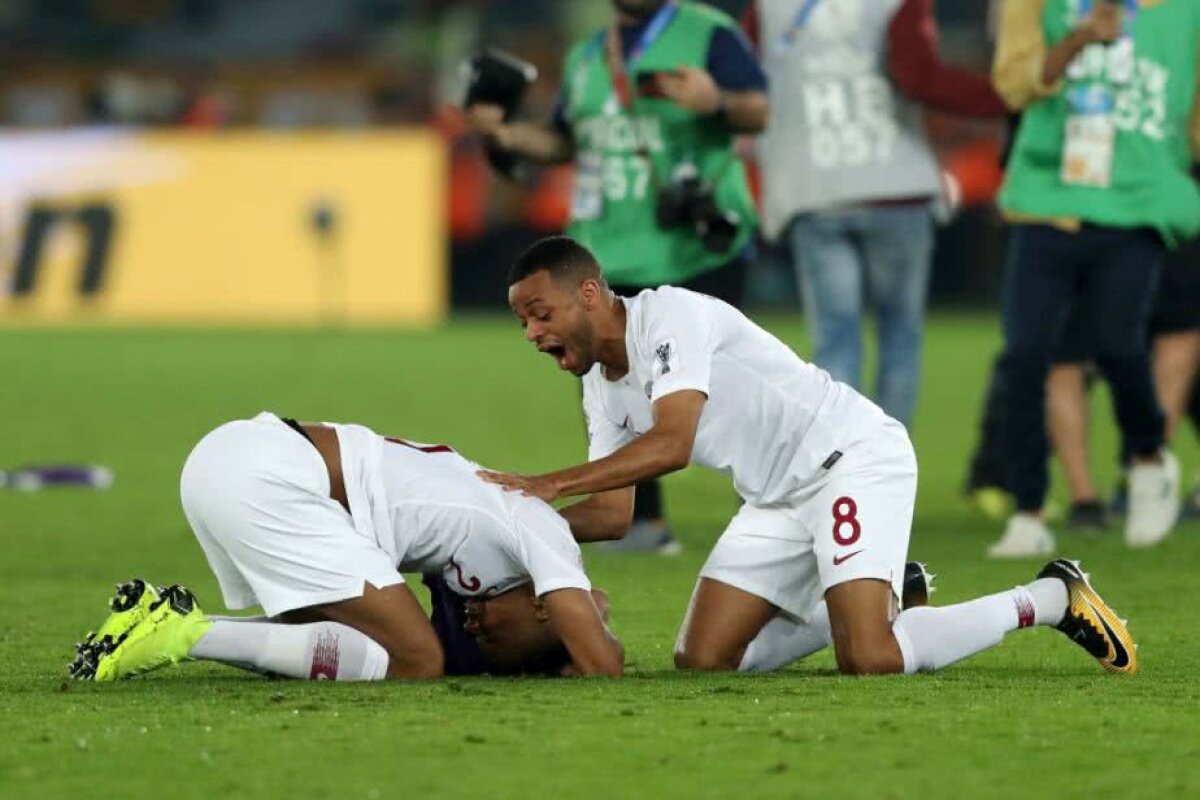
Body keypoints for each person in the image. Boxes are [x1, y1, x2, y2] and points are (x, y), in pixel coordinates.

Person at [480, 236, 1137, 676]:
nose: (534, 334)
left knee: (870, 659)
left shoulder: (669, 318)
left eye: (540, 314)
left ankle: (1051, 596)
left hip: (849, 458)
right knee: (703, 661)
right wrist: (510, 524)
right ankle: (883, 591)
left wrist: (549, 482)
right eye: (523, 324)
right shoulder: (601, 384)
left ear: (589, 293)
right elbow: (614, 515)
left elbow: (672, 444)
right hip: (775, 497)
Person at [466, 0, 769, 553]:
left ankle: (767, 514)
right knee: (615, 390)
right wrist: (506, 134)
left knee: (727, 393)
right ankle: (642, 522)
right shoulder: (588, 55)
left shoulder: (710, 35)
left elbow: (758, 111)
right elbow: (562, 141)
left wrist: (716, 101)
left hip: (696, 246)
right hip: (610, 248)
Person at [68, 412, 623, 682]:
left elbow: (467, 649)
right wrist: (582, 637)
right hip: (271, 473)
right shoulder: (541, 532)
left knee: (351, 642)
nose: (473, 619)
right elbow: (603, 663)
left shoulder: (487, 554)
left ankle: (153, 621)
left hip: (233, 457)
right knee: (416, 659)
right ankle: (185, 631)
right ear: (543, 603)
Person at [985, 0, 1200, 557]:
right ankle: (1029, 510)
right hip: (1046, 200)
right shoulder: (1037, 4)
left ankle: (1149, 459)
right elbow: (1014, 86)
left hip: (1136, 203)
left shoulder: (1185, 13)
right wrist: (1077, 40)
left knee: (1118, 347)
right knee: (1025, 355)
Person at [743, 0, 1008, 428]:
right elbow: (917, 76)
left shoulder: (770, 7)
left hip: (815, 189)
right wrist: (1005, 97)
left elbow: (742, 78)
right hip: (895, 185)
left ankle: (840, 464)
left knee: (835, 339)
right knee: (899, 337)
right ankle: (886, 468)